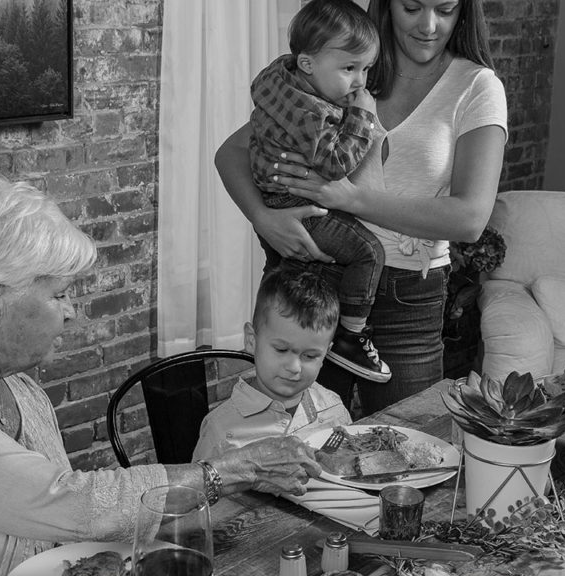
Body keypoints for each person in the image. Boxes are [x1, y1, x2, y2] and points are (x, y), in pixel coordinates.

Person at [0, 169, 320, 576]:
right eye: (58, 294)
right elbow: (69, 503)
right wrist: (232, 470)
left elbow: (65, 536)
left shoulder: (21, 391)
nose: (71, 313)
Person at [215, 0, 507, 417]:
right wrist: (263, 217)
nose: (429, 25)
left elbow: (470, 219)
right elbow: (231, 153)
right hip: (308, 282)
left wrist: (351, 199)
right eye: (411, 7)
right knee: (296, 450)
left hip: (407, 303)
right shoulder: (345, 65)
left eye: (445, 10)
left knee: (410, 456)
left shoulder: (476, 87)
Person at [250, 0, 390, 383]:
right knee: (368, 252)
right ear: (309, 63)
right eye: (349, 69)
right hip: (297, 205)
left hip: (277, 201)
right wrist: (363, 115)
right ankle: (350, 335)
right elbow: (334, 164)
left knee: (292, 288)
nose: (360, 81)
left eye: (365, 68)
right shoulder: (313, 111)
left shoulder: (280, 76)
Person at [192, 267, 352, 461]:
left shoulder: (333, 409)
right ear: (252, 340)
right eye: (281, 350)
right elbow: (202, 489)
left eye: (310, 356)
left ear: (326, 353)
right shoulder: (220, 430)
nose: (294, 367)